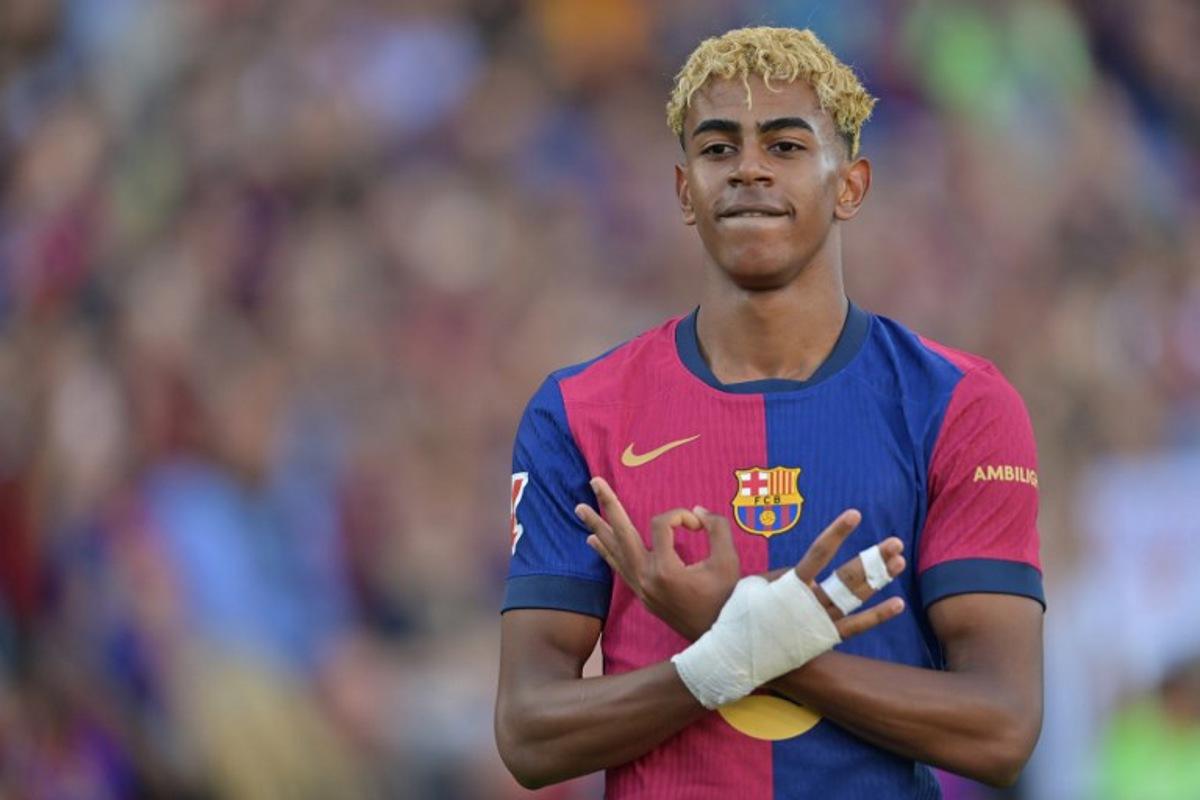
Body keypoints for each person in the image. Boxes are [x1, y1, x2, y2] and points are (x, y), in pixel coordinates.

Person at [495, 26, 1044, 799]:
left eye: (785, 146)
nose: (748, 167)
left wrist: (749, 642)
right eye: (718, 148)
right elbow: (527, 733)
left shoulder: (959, 405)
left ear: (850, 185)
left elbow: (1002, 727)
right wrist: (726, 659)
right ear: (685, 190)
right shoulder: (577, 414)